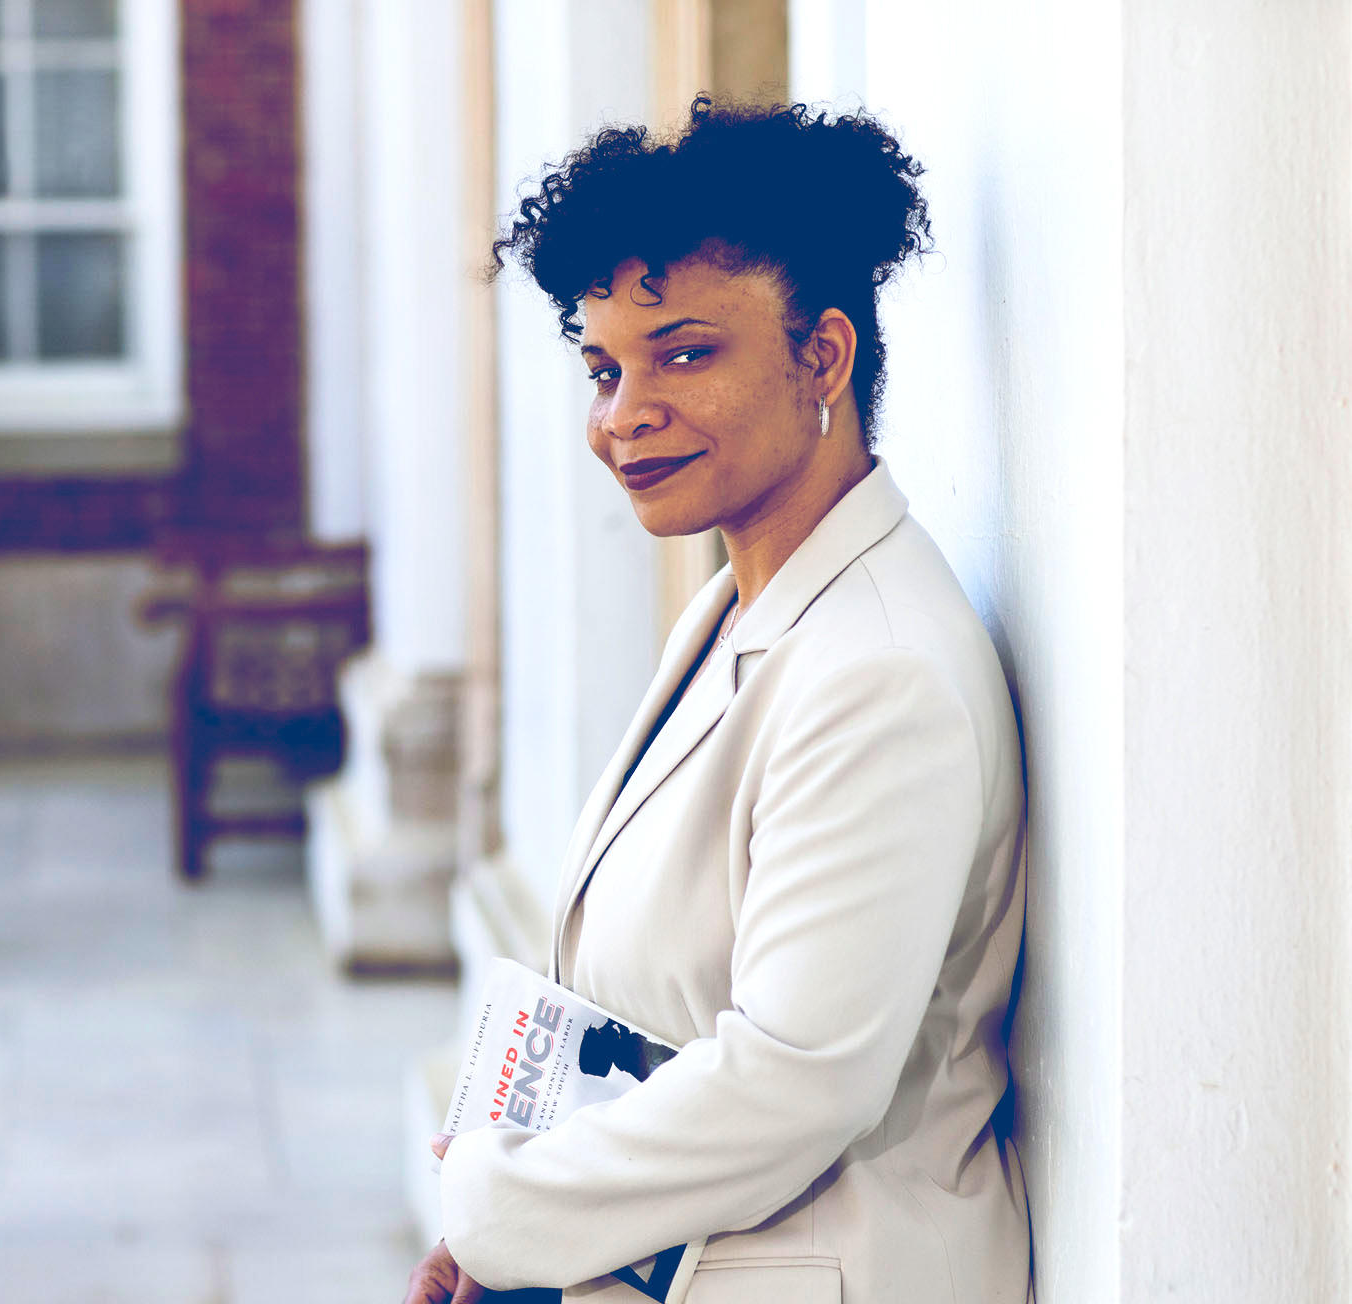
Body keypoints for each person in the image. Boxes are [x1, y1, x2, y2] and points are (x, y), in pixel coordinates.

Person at [404, 98, 1032, 1304]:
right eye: (603, 367)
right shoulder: (734, 610)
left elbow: (793, 1077)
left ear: (824, 357)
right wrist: (522, 1235)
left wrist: (500, 1208)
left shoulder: (880, 669)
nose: (622, 415)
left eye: (684, 352)